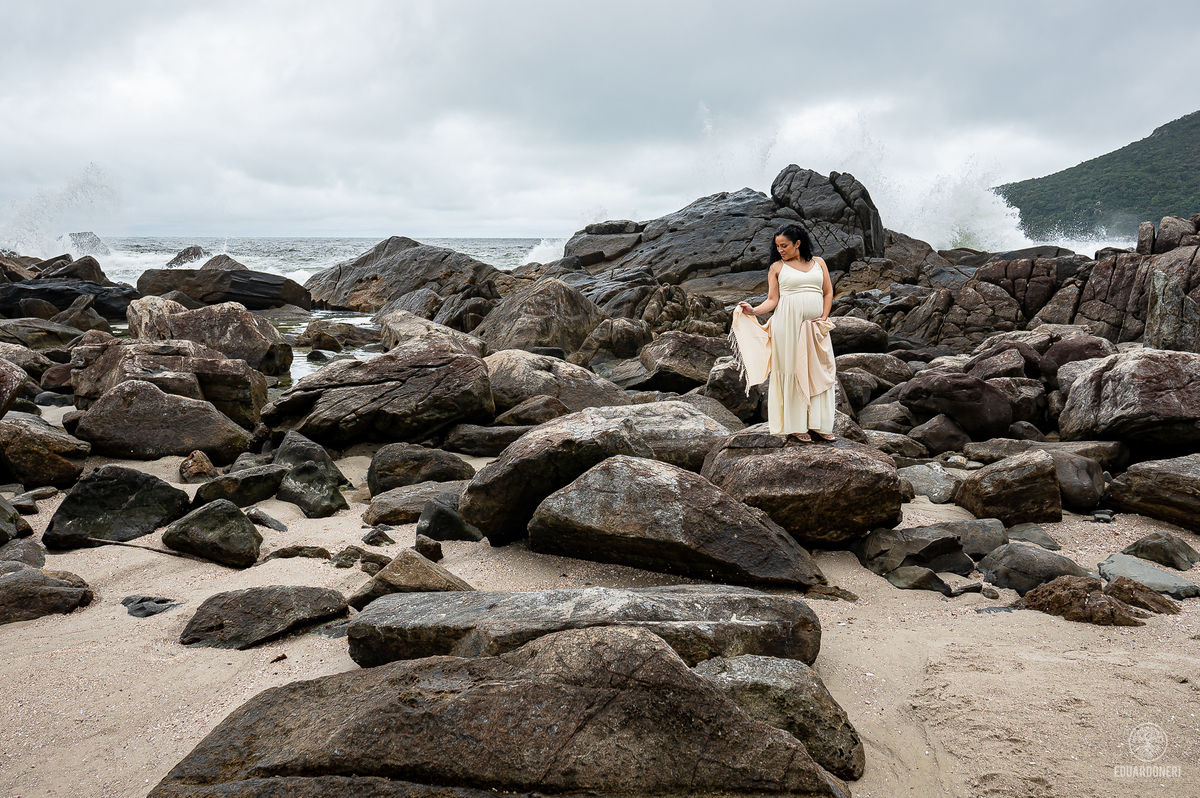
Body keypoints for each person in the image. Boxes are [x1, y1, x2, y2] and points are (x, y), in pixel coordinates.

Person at [734, 223, 837, 441]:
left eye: (785, 245)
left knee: (819, 369)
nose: (781, 250)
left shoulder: (819, 263)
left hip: (814, 327)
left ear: (797, 243)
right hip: (787, 326)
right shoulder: (777, 268)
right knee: (791, 370)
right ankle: (796, 424)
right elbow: (772, 300)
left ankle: (820, 424)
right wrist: (753, 310)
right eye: (778, 246)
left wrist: (824, 316)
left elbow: (828, 292)